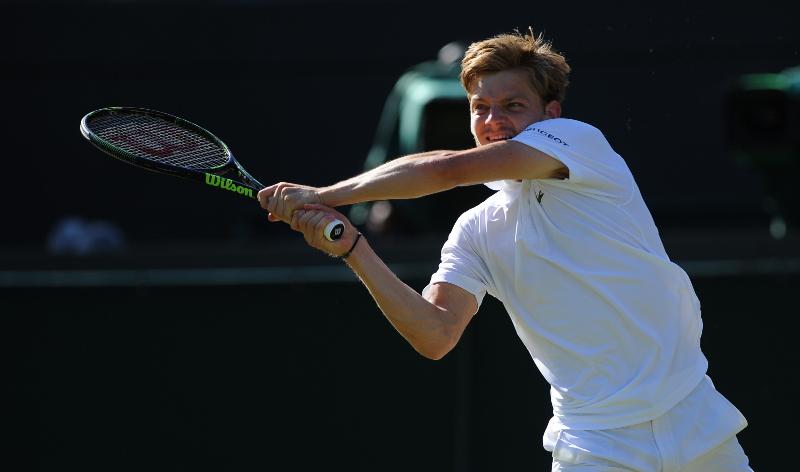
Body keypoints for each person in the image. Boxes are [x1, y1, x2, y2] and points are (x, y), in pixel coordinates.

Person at [257, 28, 753, 471]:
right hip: (597, 447)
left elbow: (446, 169)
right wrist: (354, 249)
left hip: (696, 422)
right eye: (480, 108)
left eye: (512, 105)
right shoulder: (476, 231)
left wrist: (322, 196)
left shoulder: (578, 144)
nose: (492, 120)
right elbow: (436, 335)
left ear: (549, 114)